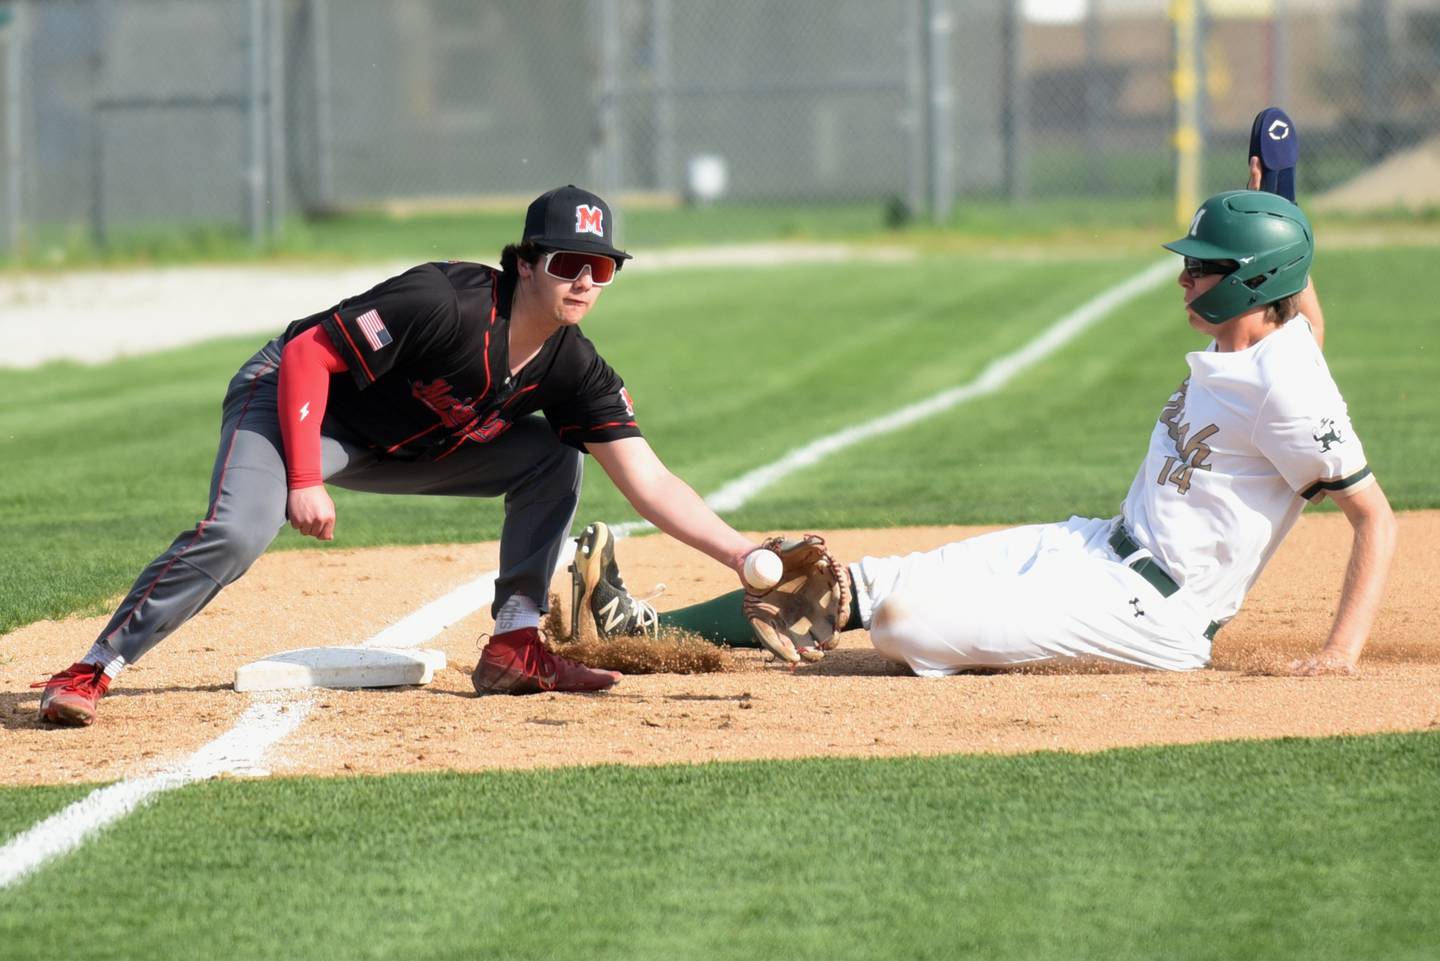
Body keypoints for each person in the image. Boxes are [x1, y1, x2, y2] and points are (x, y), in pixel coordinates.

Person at [574, 189, 1396, 677]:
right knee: (854, 578)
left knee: (901, 621)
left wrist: (1341, 653)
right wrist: (1278, 215)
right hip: (1094, 546)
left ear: (1255, 279)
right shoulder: (1259, 347)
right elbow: (1302, 329)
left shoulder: (1288, 385)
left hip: (1154, 616)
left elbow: (1373, 516)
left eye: (1204, 265)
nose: (1185, 275)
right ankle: (637, 628)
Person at [35, 185, 761, 726]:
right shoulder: (445, 300)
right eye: (570, 261)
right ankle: (94, 666)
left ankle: (515, 643)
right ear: (529, 261)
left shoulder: (572, 366)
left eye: (602, 269)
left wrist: (744, 557)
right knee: (235, 531)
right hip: (297, 405)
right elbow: (307, 354)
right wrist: (307, 476)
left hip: (408, 442)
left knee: (552, 458)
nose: (584, 282)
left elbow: (648, 477)